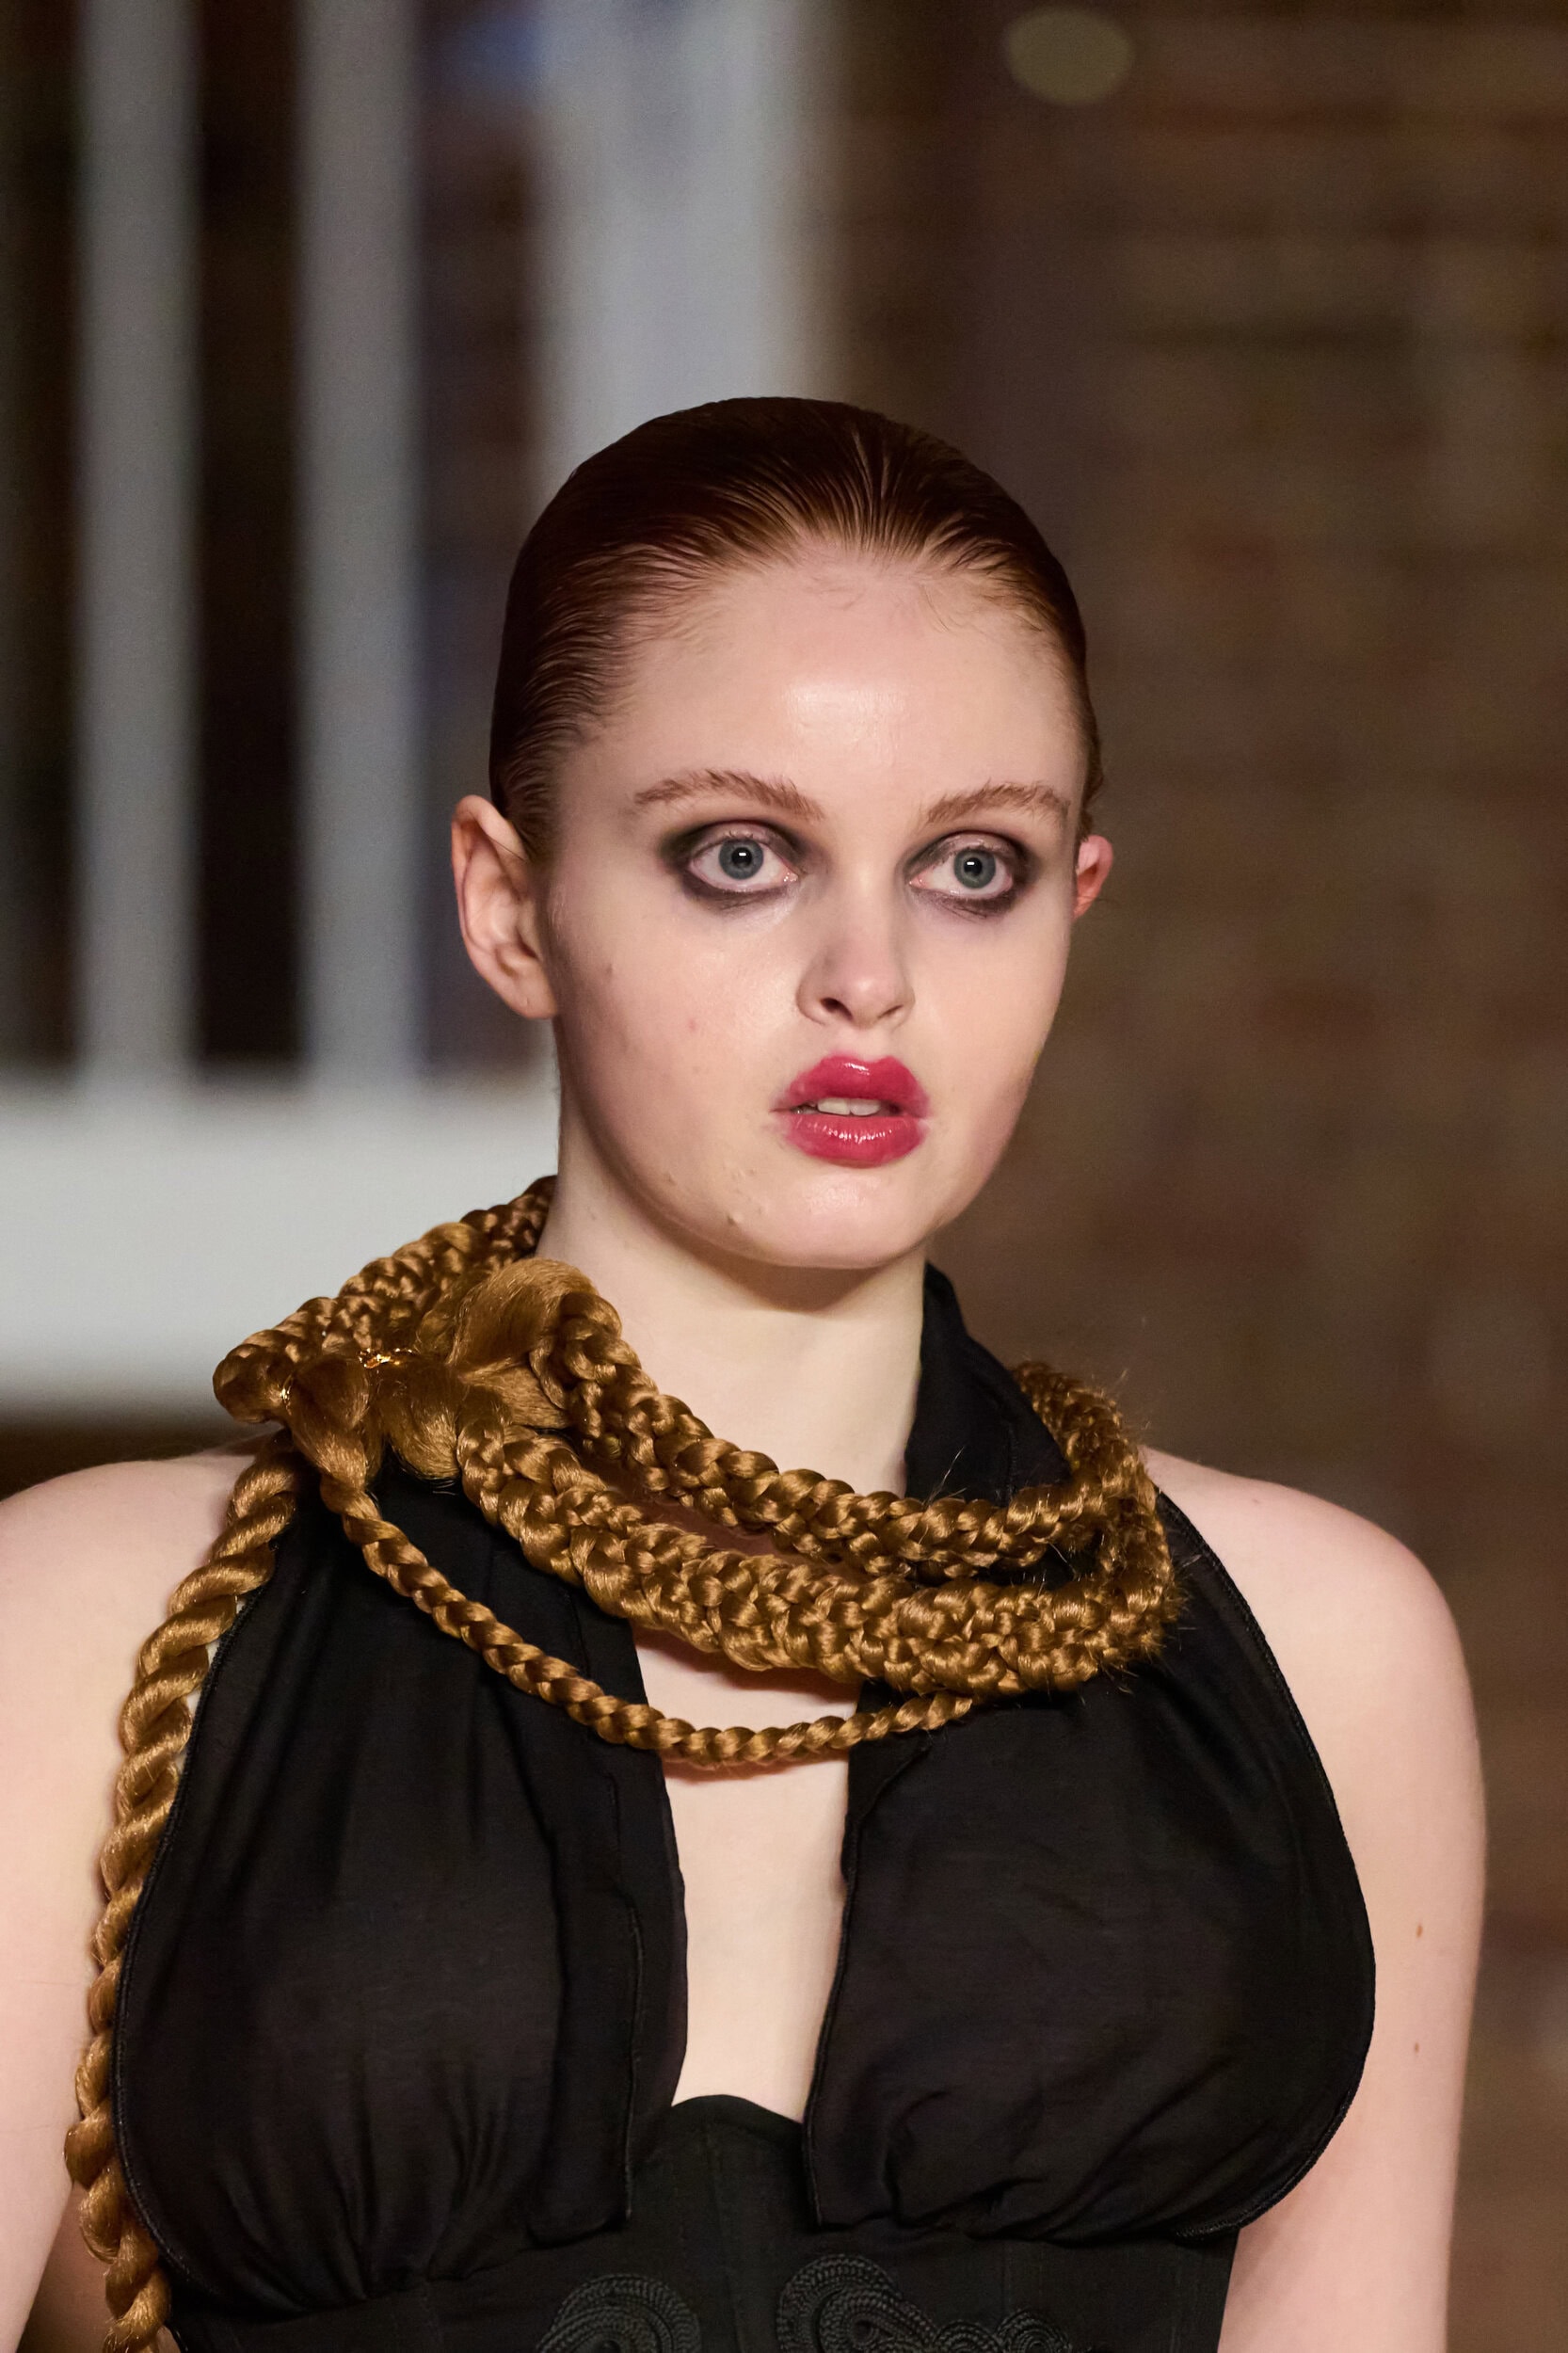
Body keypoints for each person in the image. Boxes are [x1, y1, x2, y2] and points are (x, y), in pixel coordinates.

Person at [2, 400, 1481, 2353]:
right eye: (737, 853)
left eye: (970, 865)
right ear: (508, 903)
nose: (867, 973)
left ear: (1076, 904)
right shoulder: (85, 1624)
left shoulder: (1318, 1647)